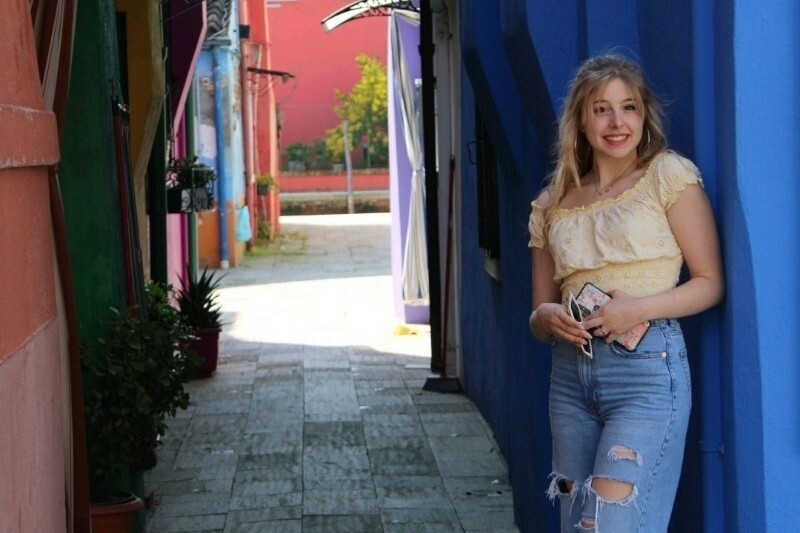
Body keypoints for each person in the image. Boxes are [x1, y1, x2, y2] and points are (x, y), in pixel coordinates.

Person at [527, 54, 724, 532]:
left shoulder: (668, 176)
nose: (617, 122)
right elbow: (537, 313)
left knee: (611, 526)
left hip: (646, 376)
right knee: (576, 524)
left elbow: (710, 283)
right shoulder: (552, 202)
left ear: (644, 115)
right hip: (570, 379)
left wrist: (636, 308)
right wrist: (547, 317)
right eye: (601, 109)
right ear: (579, 119)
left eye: (629, 107)